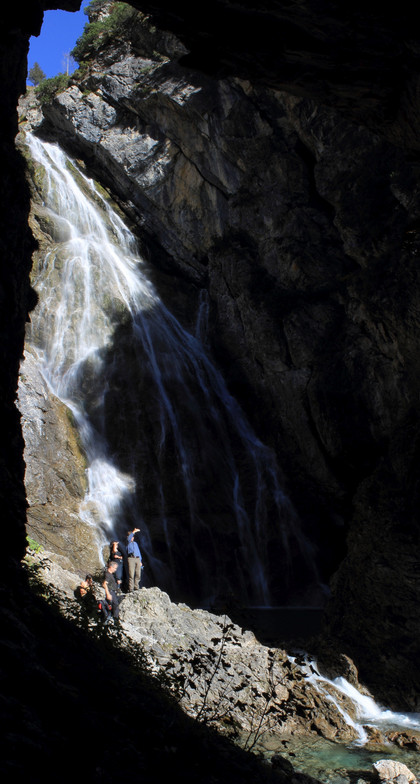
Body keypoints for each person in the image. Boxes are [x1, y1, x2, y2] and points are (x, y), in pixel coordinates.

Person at [126, 527, 142, 592]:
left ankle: (136, 587)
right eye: (132, 536)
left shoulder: (135, 543)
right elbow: (129, 539)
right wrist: (134, 531)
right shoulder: (128, 543)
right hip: (131, 558)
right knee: (131, 574)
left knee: (138, 574)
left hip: (137, 559)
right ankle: (131, 589)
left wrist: (140, 560)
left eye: (133, 537)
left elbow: (138, 552)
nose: (133, 538)